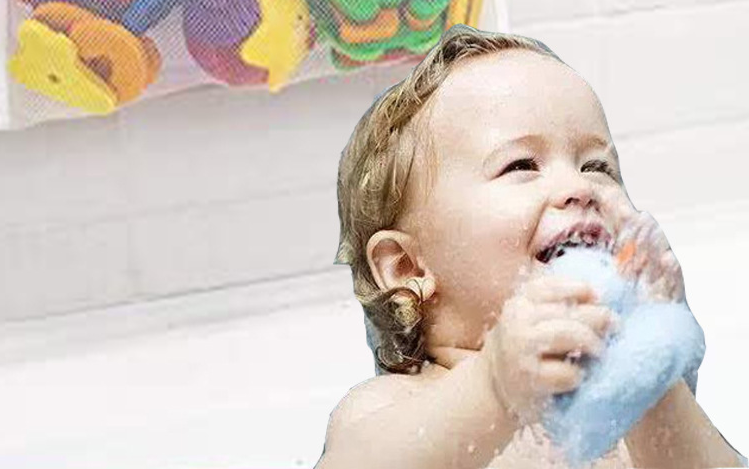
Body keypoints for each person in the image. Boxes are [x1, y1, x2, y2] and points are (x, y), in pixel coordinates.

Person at [317, 24, 746, 468]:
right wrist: (494, 388)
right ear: (408, 268)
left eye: (597, 166)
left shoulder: (619, 415)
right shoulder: (393, 406)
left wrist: (655, 366)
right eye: (521, 165)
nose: (579, 187)